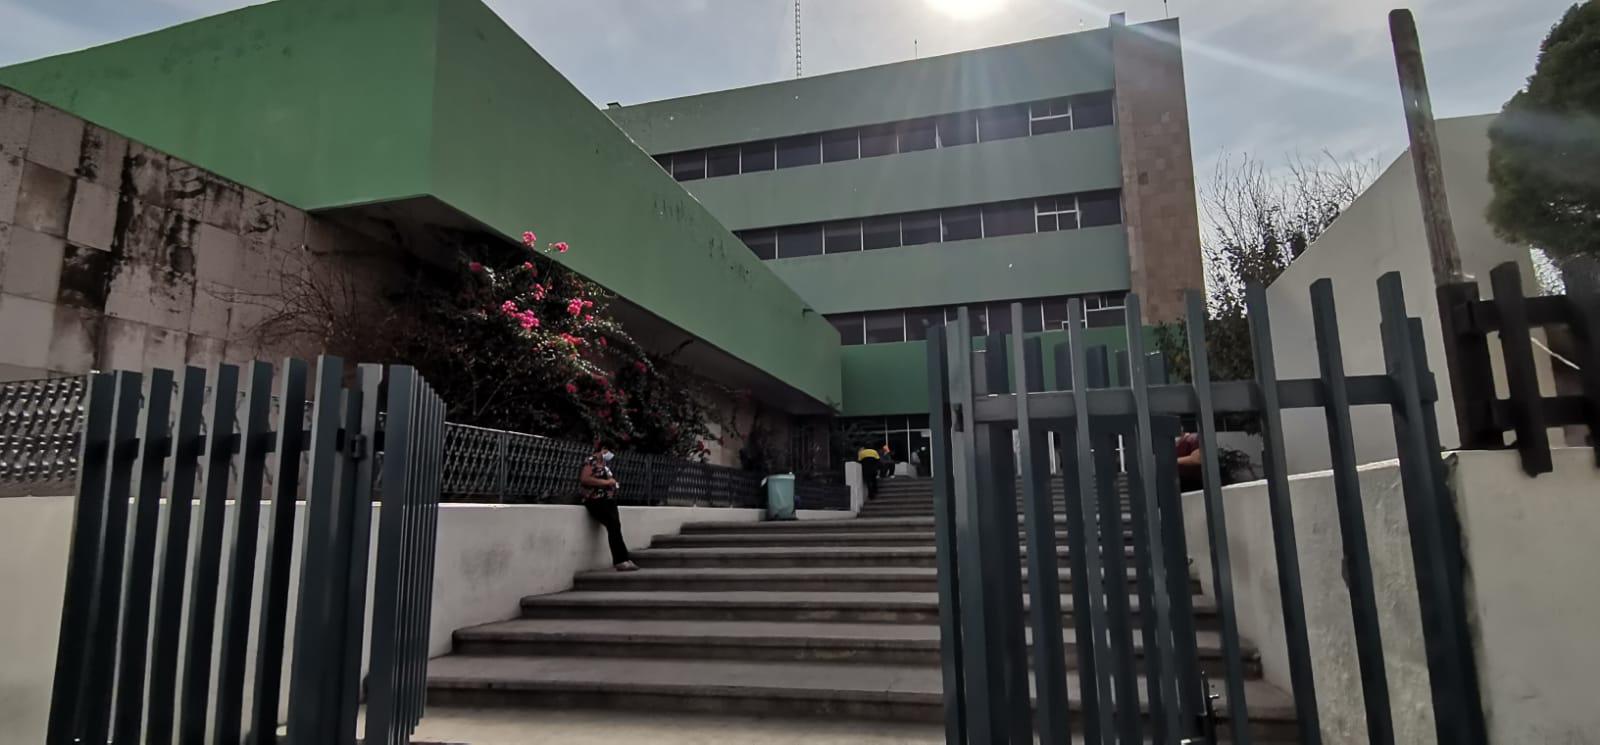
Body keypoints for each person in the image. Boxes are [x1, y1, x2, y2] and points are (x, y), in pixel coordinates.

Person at [580, 442, 639, 572]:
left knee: (615, 526)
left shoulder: (605, 465)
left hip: (608, 500)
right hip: (596, 500)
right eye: (610, 451)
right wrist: (606, 482)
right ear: (603, 449)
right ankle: (620, 560)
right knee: (613, 525)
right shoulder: (591, 461)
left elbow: (608, 479)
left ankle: (623, 558)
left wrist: (613, 483)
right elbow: (585, 479)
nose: (611, 454)